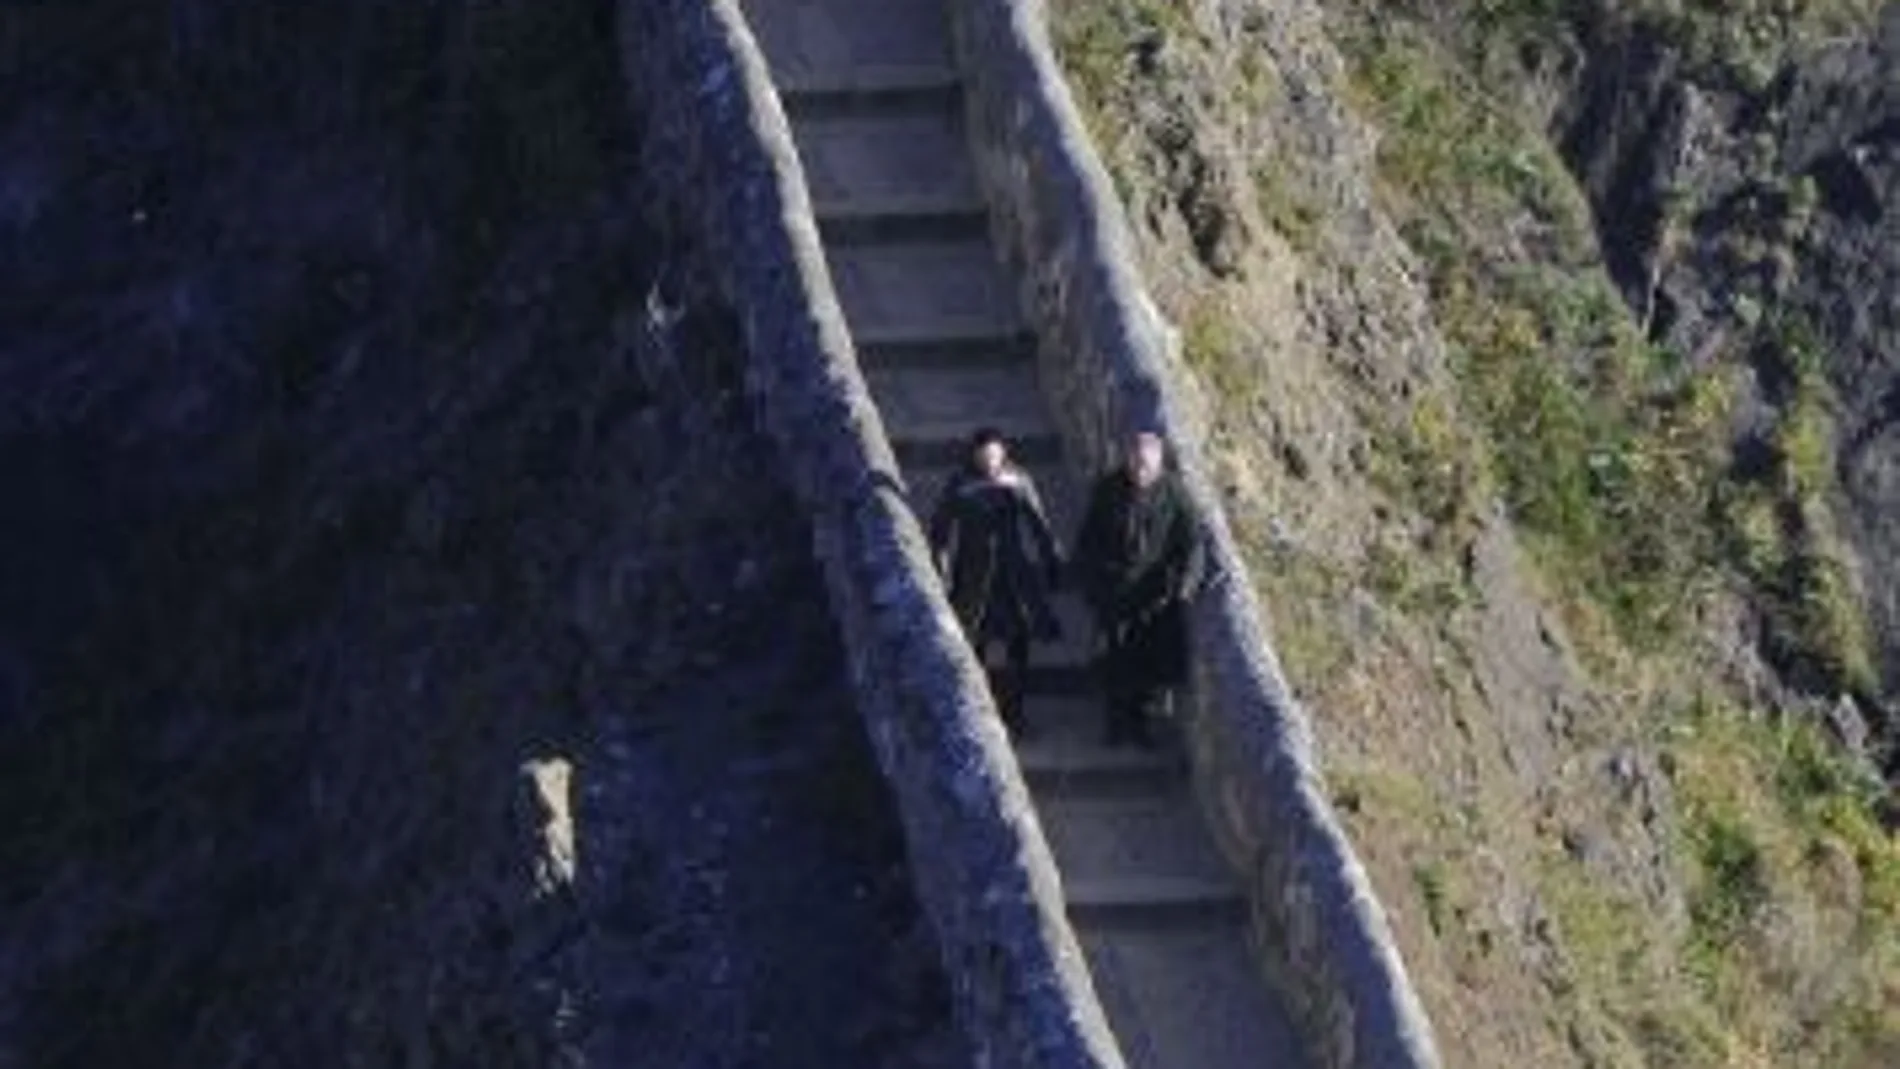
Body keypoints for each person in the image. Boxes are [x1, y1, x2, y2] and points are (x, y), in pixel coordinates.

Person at [1072, 428, 1206, 748]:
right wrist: (1091, 582)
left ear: (1158, 463)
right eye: (1134, 463)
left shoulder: (1174, 493)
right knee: (1112, 660)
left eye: (1145, 465)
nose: (1139, 470)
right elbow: (1089, 538)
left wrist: (1185, 585)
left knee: (1146, 663)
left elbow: (1192, 542)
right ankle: (1115, 725)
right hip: (1114, 589)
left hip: (1152, 596)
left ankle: (1140, 726)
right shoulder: (1109, 489)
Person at [927, 427, 1065, 738]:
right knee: (976, 643)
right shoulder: (960, 483)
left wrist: (1051, 560)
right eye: (984, 455)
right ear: (975, 455)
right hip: (973, 574)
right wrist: (943, 572)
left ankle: (1015, 714)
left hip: (1013, 572)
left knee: (1019, 643)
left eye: (995, 454)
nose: (990, 461)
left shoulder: (1018, 481)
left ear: (1003, 454)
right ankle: (980, 714)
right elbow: (941, 531)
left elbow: (1038, 523)